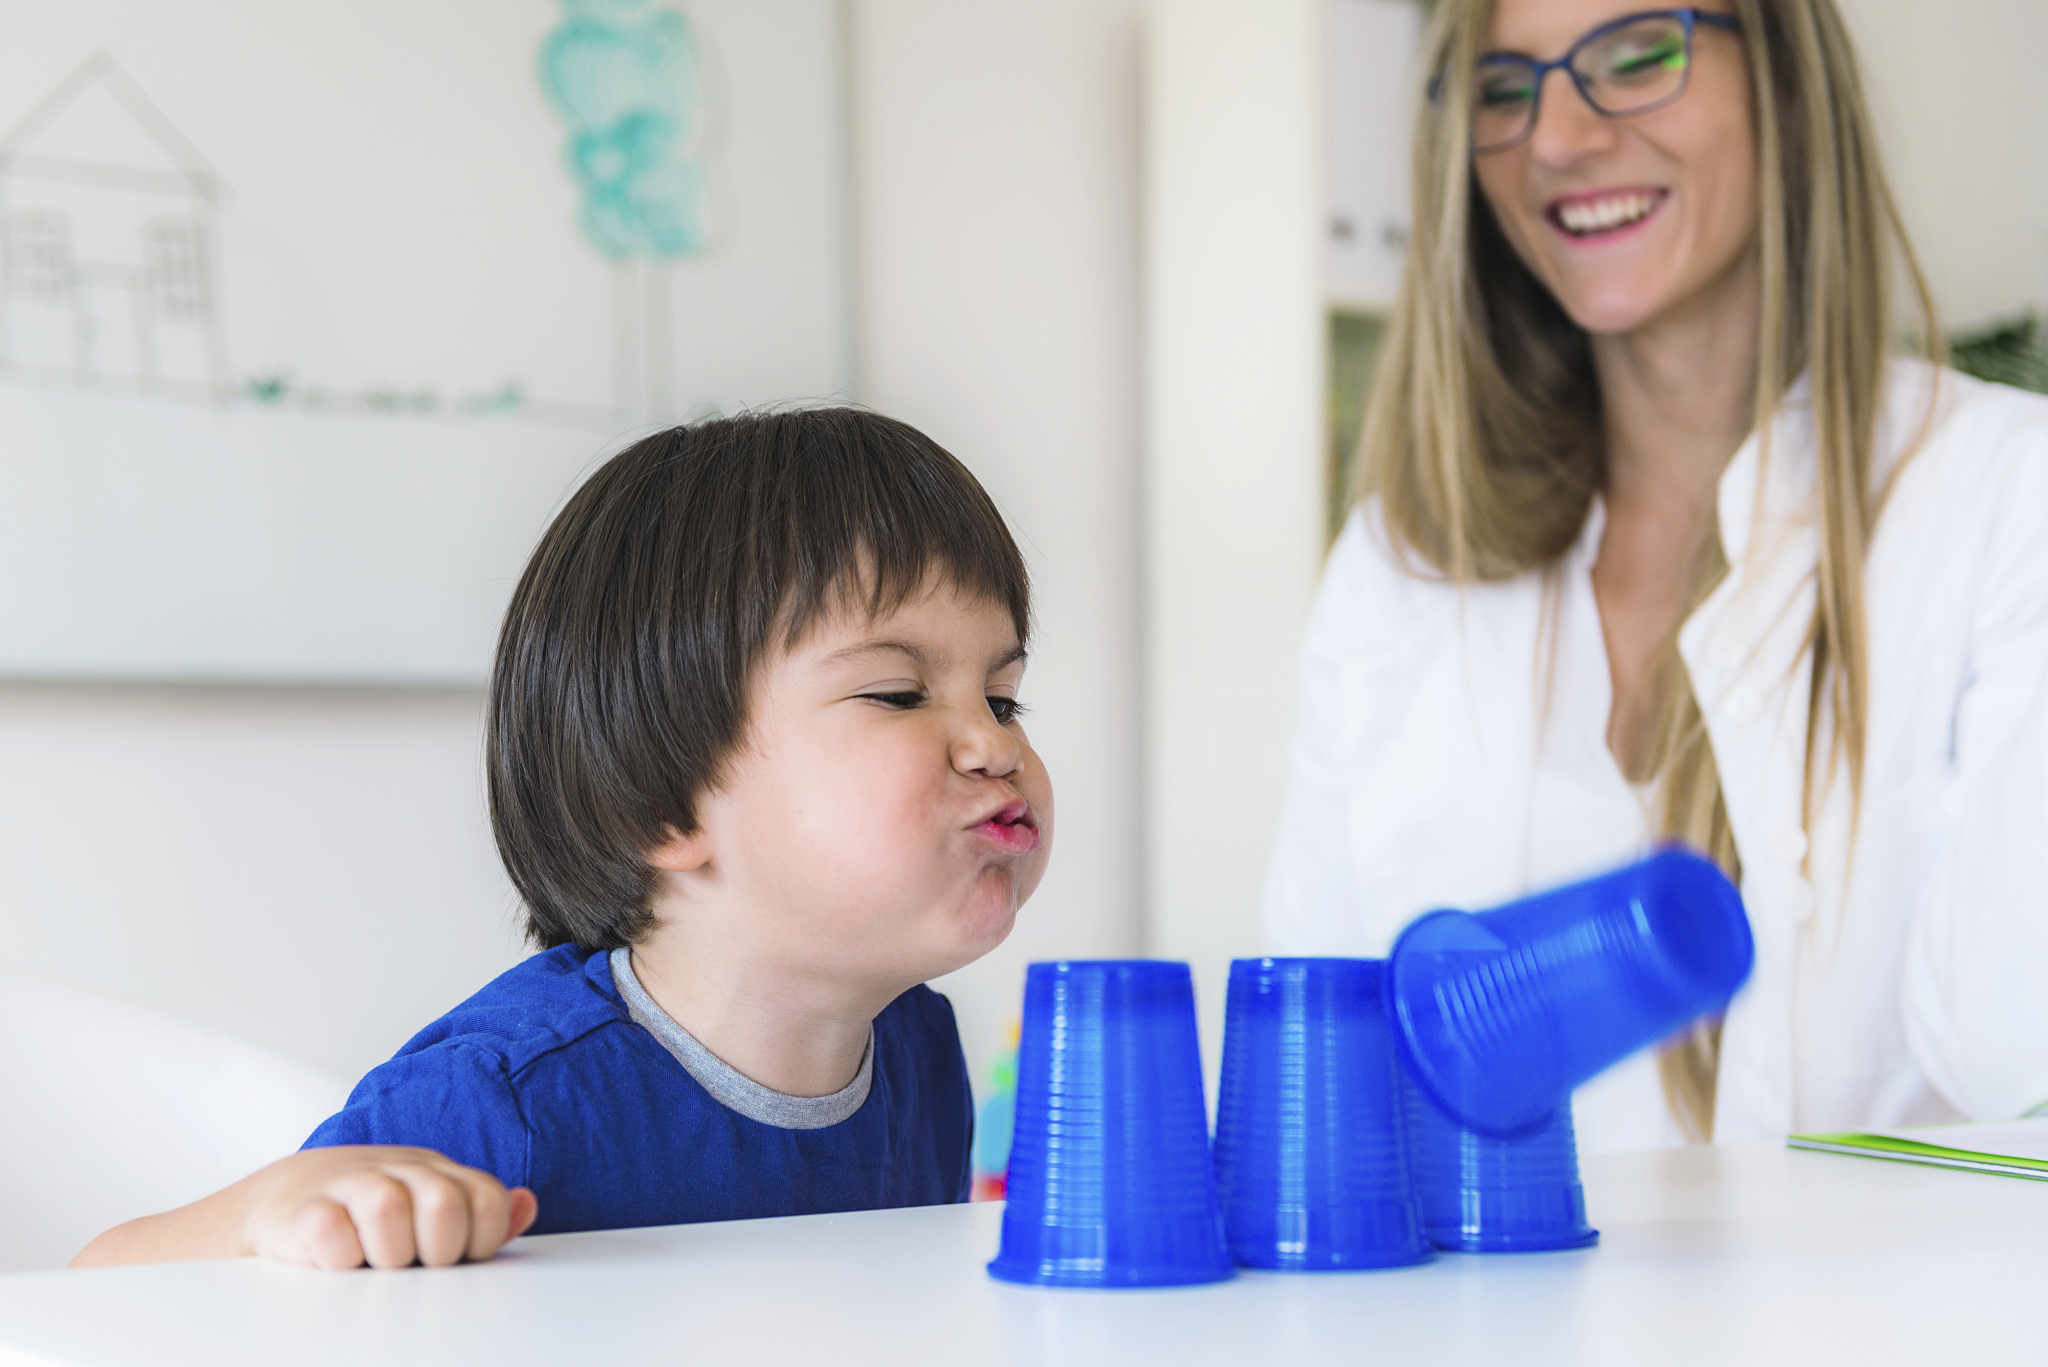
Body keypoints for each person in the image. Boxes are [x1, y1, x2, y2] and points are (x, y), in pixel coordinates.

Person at [1265, 0, 2048, 1153]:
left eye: (1637, 54)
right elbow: (1315, 1087)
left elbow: (2010, 1056)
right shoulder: (1398, 567)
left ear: (1782, 79)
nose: (1557, 139)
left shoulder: (2000, 496)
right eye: (1502, 87)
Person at [73, 407, 1053, 1267]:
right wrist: (267, 1210)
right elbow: (96, 1292)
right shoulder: (499, 1101)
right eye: (896, 691)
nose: (992, 744)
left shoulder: (915, 1043)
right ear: (661, 804)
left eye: (1003, 697)